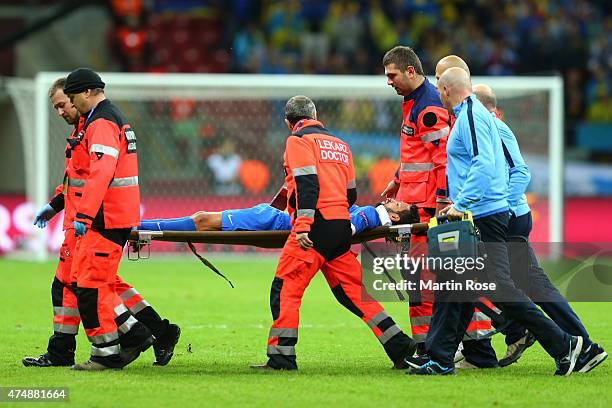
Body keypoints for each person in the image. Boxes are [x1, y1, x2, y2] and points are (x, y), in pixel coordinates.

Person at [410, 67, 583, 376]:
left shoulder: (472, 117)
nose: (437, 94)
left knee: (501, 289)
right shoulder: (474, 115)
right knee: (456, 286)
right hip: (483, 213)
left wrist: (460, 204)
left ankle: (565, 344)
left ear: (447, 89)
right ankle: (439, 358)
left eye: (438, 89)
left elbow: (485, 165)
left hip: (484, 215)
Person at [251, 95, 417, 370]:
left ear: (288, 122)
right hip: (340, 227)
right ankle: (401, 347)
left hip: (314, 227)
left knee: (286, 288)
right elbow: (351, 194)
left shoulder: (298, 141)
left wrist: (303, 225)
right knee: (352, 293)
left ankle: (282, 356)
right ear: (316, 116)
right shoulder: (341, 145)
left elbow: (307, 184)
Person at [24, 77, 180, 368]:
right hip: (87, 216)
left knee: (84, 285)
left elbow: (101, 174)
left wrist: (81, 216)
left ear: (80, 96)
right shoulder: (88, 128)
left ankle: (128, 338)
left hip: (96, 217)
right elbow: (77, 179)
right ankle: (151, 332)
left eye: (65, 103)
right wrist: (55, 206)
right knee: (90, 284)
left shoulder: (99, 124)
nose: (63, 110)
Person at [473, 83, 607, 371]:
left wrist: (502, 207)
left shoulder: (494, 128)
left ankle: (576, 343)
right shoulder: (486, 129)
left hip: (509, 218)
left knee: (519, 283)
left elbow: (522, 171)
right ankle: (557, 338)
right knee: (502, 281)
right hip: (508, 218)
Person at [381, 46, 496, 368]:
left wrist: (442, 206)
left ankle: (434, 348)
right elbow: (419, 155)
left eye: (392, 75)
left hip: (427, 209)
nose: (388, 82)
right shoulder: (418, 103)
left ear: (410, 72)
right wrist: (397, 179)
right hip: (421, 203)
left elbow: (442, 158)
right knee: (447, 279)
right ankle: (478, 351)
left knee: (428, 280)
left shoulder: (427, 106)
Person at [138, 199, 419, 235]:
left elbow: (345, 227)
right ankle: (135, 226)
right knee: (201, 219)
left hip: (277, 221)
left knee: (201, 220)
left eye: (398, 204)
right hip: (280, 217)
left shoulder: (371, 215)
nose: (393, 200)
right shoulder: (372, 215)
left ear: (394, 217)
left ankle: (134, 226)